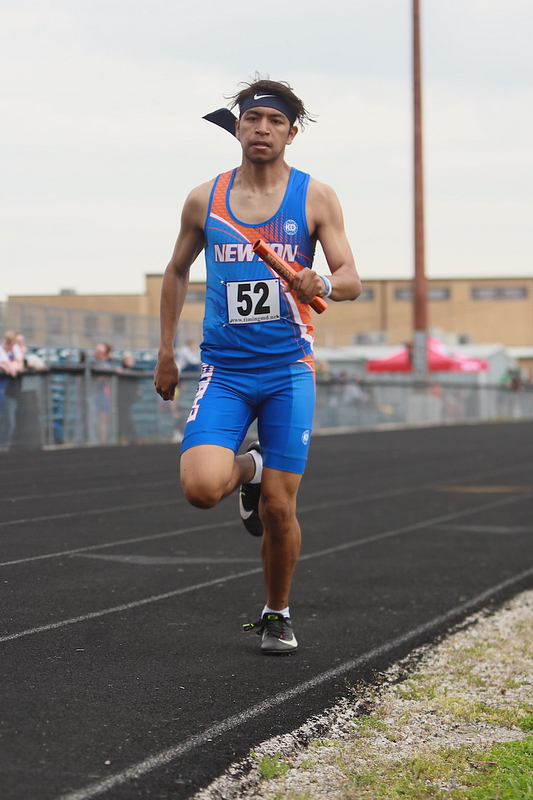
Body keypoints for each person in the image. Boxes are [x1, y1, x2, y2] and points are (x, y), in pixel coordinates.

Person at [154, 77, 361, 654]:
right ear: (238, 127)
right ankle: (250, 469)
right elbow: (176, 270)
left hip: (288, 370)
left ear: (291, 134)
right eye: (252, 119)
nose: (262, 129)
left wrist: (322, 281)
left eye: (275, 122)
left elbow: (351, 278)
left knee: (278, 506)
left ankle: (277, 612)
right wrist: (166, 351)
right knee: (200, 488)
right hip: (224, 370)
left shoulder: (315, 197)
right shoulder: (205, 199)